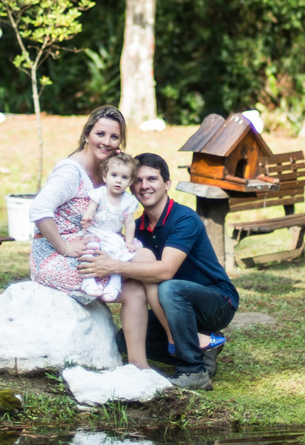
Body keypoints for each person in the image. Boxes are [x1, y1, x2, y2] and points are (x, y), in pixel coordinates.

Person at [78, 152, 239, 391]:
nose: (144, 186)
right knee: (126, 340)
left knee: (169, 287)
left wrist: (113, 265)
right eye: (138, 180)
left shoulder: (184, 219)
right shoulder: (137, 230)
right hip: (174, 305)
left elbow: (165, 271)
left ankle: (193, 371)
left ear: (167, 184)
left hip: (216, 301)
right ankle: (204, 347)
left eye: (152, 179)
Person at [28, 106, 153, 369]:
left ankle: (139, 367)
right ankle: (176, 340)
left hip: (91, 244)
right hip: (53, 255)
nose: (106, 142)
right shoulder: (71, 172)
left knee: (135, 289)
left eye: (114, 137)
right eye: (100, 134)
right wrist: (63, 246)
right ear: (87, 134)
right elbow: (38, 208)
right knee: (139, 272)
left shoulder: (107, 170)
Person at [79, 152, 141, 303]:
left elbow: (129, 223)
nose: (118, 180)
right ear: (105, 176)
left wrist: (129, 241)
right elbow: (90, 210)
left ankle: (114, 285)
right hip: (95, 231)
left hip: (112, 235)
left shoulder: (128, 201)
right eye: (114, 175)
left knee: (120, 255)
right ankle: (88, 281)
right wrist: (87, 217)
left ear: (131, 181)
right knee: (91, 248)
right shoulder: (99, 194)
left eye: (124, 177)